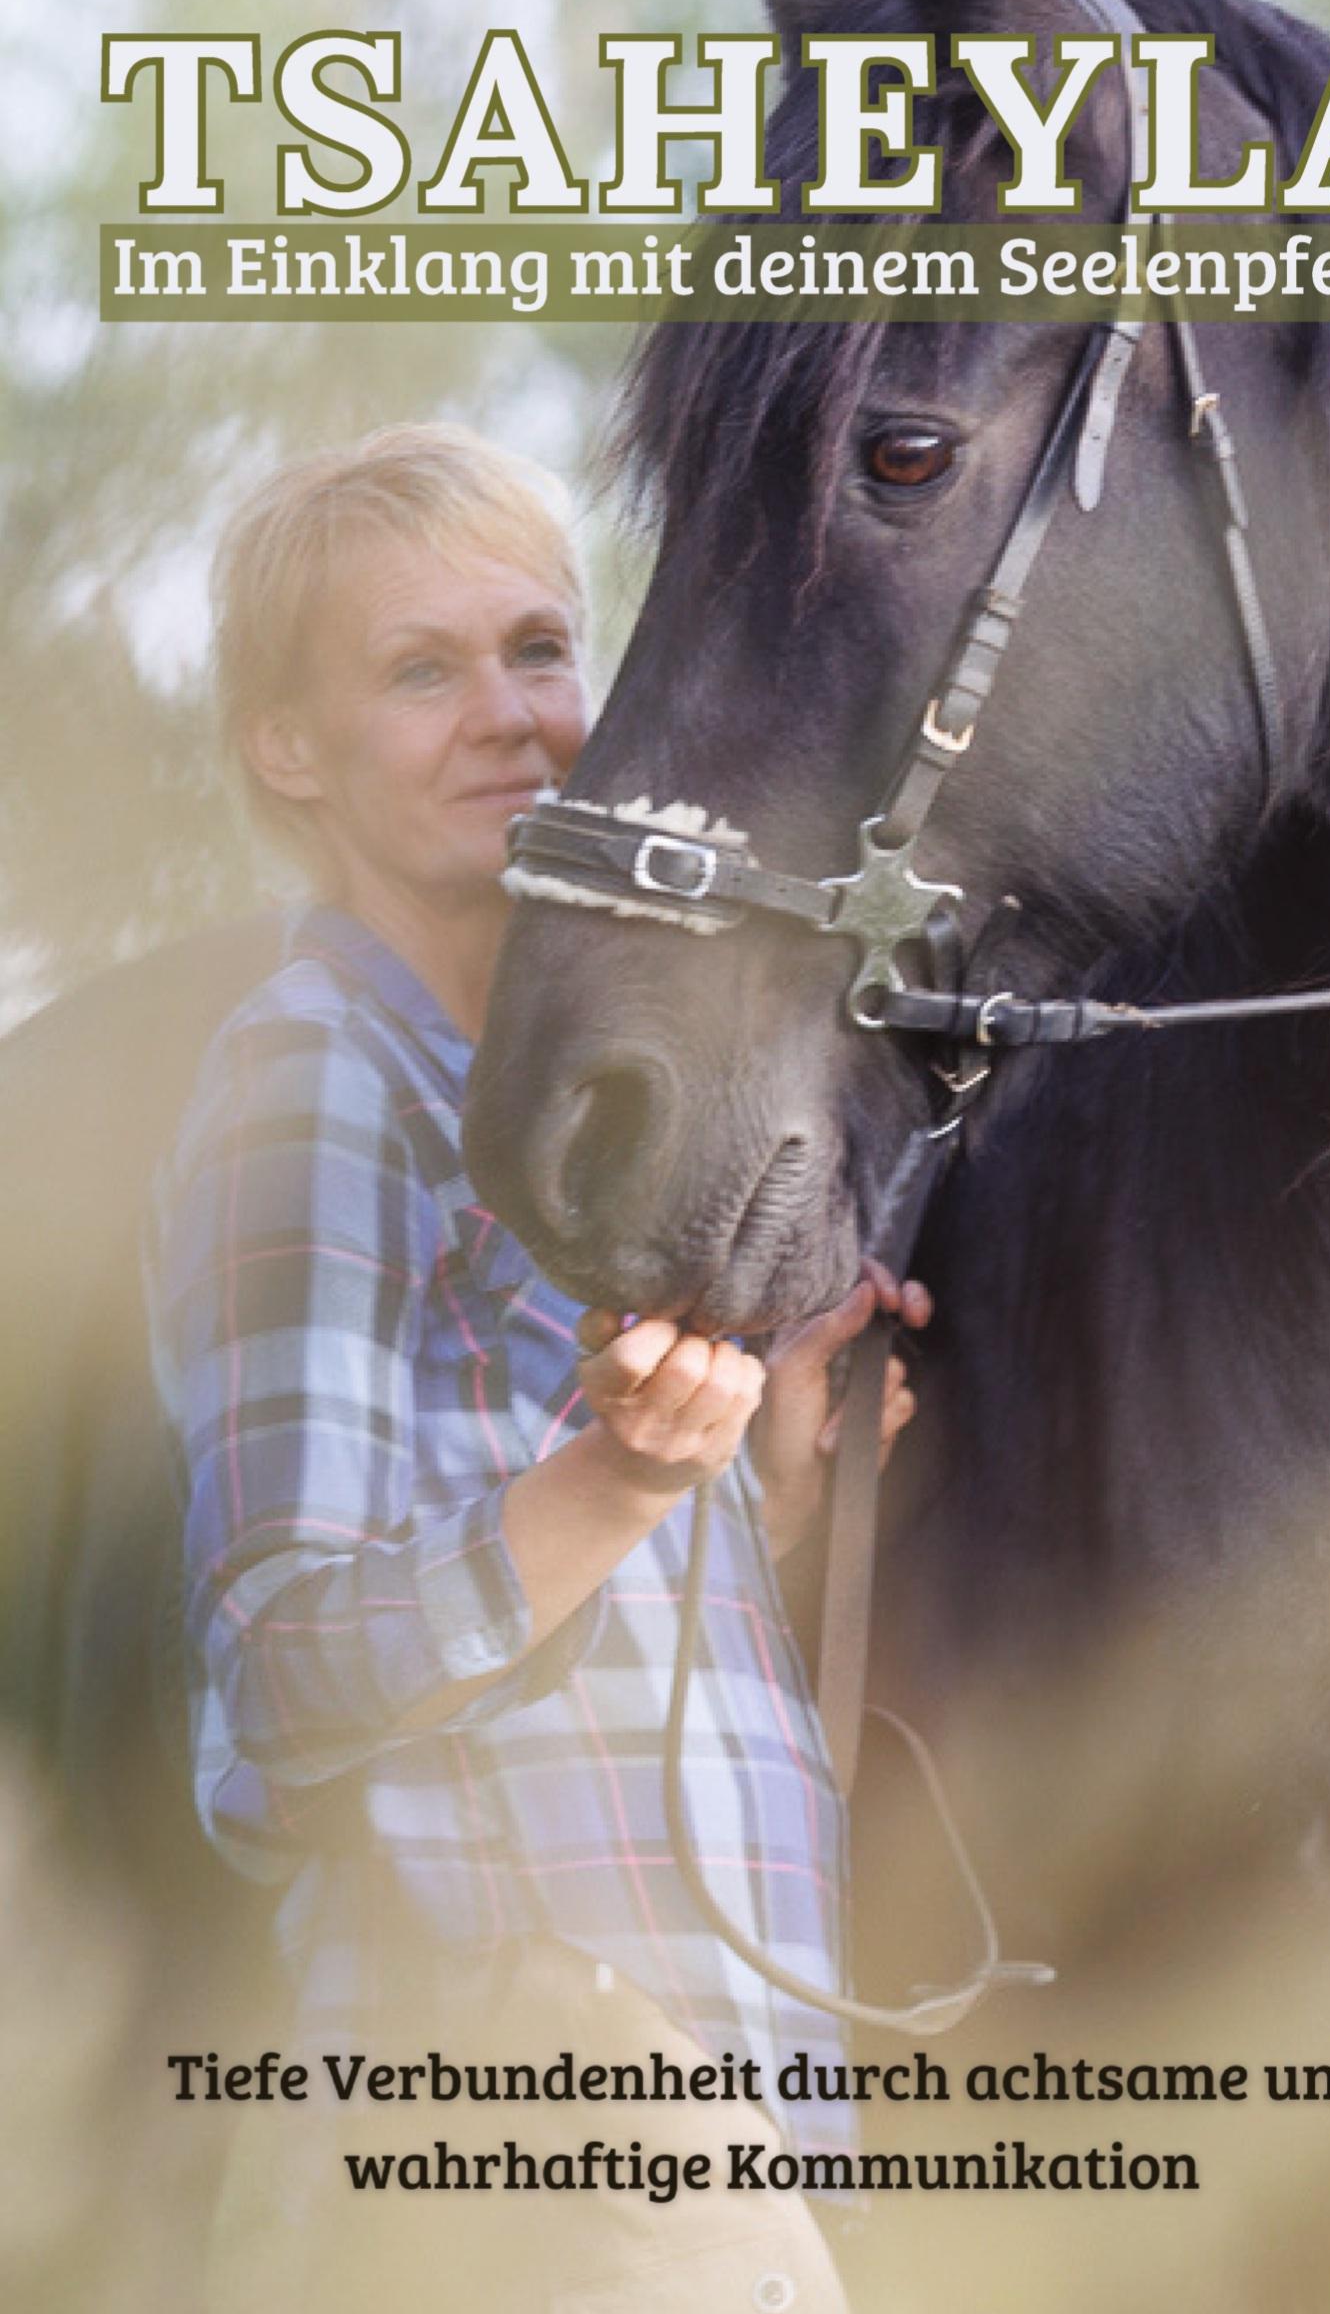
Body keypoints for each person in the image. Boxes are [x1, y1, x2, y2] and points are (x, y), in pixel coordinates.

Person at [149, 423, 928, 2312]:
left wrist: (760, 1488)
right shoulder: (316, 1077)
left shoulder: (551, 1109)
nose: (509, 714)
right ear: (292, 752)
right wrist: (625, 1485)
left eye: (539, 650)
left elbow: (561, 1608)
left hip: (695, 2106)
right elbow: (287, 1672)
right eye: (420, 672)